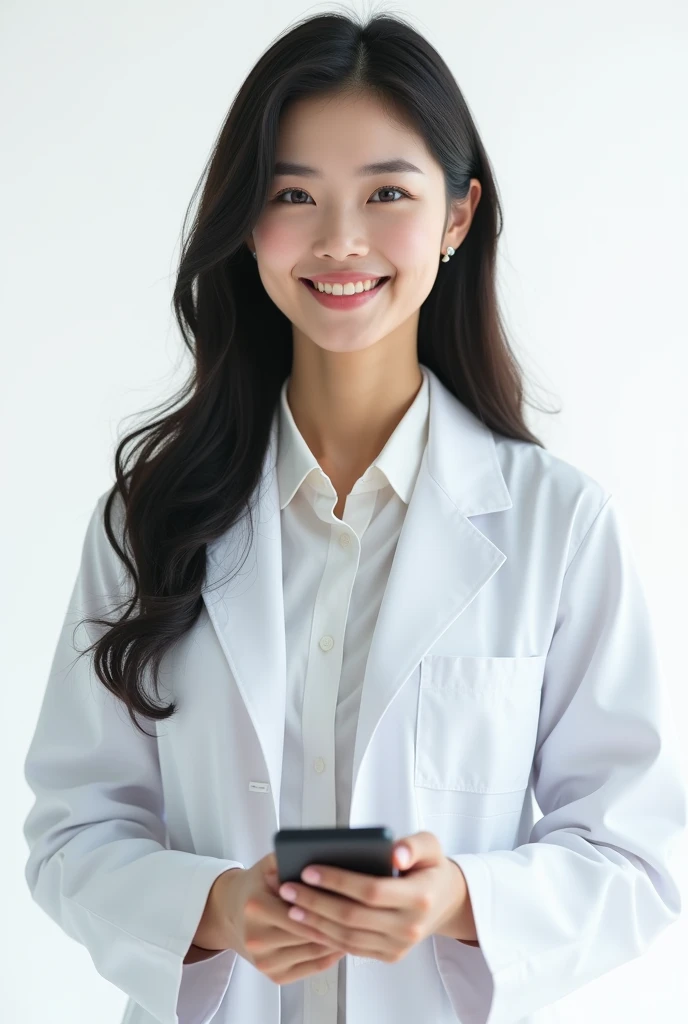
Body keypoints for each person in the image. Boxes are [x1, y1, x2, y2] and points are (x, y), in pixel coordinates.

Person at [22, 9, 685, 1024]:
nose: (340, 242)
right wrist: (214, 906)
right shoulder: (151, 519)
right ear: (248, 219)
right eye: (294, 194)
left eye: (387, 194)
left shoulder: (557, 526)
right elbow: (72, 830)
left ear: (457, 217)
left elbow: (640, 851)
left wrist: (461, 899)